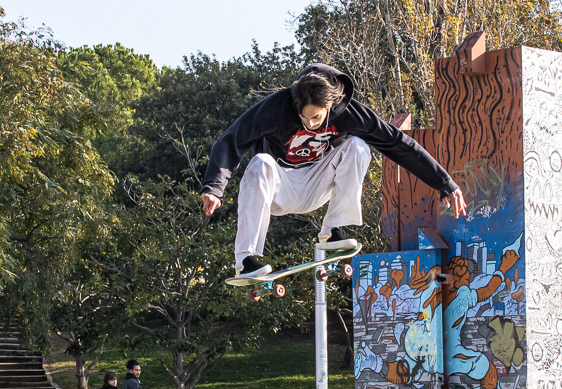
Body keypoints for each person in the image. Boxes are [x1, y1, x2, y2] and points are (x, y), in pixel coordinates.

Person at [200, 63, 467, 279]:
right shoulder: (276, 108)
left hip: (318, 183)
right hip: (281, 186)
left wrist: (444, 183)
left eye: (316, 117)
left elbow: (398, 144)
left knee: (358, 147)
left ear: (331, 105)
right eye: (304, 117)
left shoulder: (351, 113)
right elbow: (232, 139)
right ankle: (245, 259)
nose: (310, 123)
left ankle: (333, 231)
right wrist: (214, 186)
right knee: (260, 162)